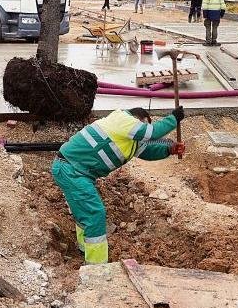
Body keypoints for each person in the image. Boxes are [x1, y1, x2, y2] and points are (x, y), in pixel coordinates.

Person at [53, 107, 185, 264]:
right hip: (72, 170)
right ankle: (97, 267)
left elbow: (147, 151)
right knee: (95, 213)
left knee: (86, 212)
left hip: (74, 170)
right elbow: (152, 133)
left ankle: (84, 248)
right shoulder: (122, 119)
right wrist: (173, 118)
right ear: (139, 119)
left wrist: (168, 149)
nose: (142, 135)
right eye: (143, 126)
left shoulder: (128, 138)